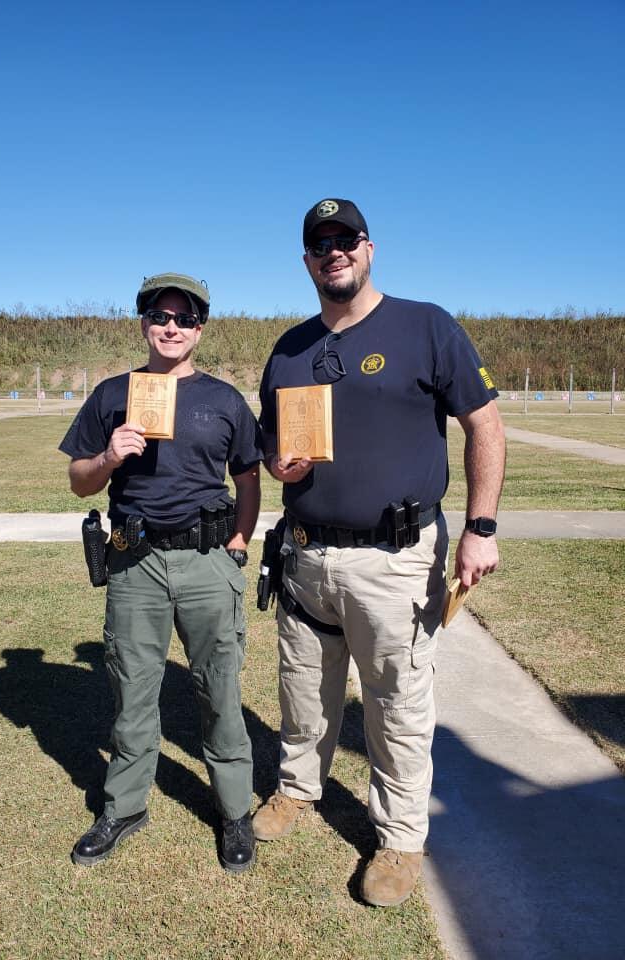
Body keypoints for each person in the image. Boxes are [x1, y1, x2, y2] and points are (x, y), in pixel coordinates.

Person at [254, 199, 505, 906]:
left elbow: (484, 426)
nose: (333, 251)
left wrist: (481, 528)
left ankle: (398, 839)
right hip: (306, 555)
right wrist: (279, 467)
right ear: (306, 260)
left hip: (395, 560)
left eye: (345, 239)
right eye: (319, 243)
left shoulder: (426, 326)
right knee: (303, 690)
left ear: (369, 249)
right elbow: (270, 445)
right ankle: (298, 790)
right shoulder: (289, 348)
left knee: (395, 705)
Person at [59, 273, 262, 873]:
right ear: (143, 322)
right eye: (160, 315)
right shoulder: (112, 395)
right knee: (133, 689)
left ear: (200, 327)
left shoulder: (225, 399)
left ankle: (233, 813)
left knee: (219, 688)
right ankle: (123, 807)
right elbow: (78, 481)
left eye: (185, 317)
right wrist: (108, 456)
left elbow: (248, 478)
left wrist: (239, 542)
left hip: (206, 561)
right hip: (134, 563)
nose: (171, 327)